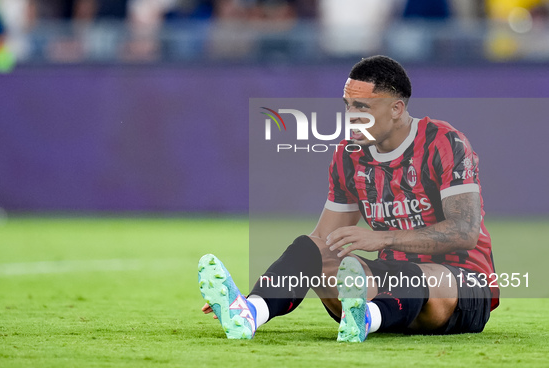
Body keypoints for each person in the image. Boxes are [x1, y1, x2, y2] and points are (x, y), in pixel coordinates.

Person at [198, 55, 499, 342]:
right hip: (389, 285)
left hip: (461, 284)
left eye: (362, 107)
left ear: (396, 109)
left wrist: (383, 239)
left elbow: (465, 231)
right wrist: (268, 291)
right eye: (348, 106)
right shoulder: (349, 155)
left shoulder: (444, 142)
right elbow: (324, 240)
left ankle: (366, 316)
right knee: (312, 247)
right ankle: (249, 313)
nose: (352, 117)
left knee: (416, 275)